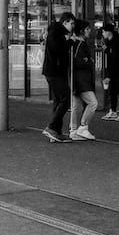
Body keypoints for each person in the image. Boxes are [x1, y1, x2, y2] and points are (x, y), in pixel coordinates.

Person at [41, 11, 76, 143]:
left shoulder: (56, 32)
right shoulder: (56, 33)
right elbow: (58, 49)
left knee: (59, 100)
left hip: (55, 71)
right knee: (65, 99)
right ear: (65, 22)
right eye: (71, 23)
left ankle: (56, 131)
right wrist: (70, 42)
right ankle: (51, 128)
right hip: (55, 72)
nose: (72, 26)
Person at [68, 19, 99, 141]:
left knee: (76, 106)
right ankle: (83, 126)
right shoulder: (81, 44)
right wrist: (89, 61)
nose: (89, 31)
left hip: (75, 79)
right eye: (87, 29)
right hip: (82, 80)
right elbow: (78, 62)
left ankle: (73, 130)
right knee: (93, 103)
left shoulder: (75, 43)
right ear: (81, 31)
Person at [100, 22, 119, 121]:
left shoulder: (116, 42)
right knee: (112, 89)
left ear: (108, 32)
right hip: (114, 68)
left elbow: (116, 59)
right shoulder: (109, 42)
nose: (103, 34)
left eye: (103, 32)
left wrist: (109, 75)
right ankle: (113, 110)